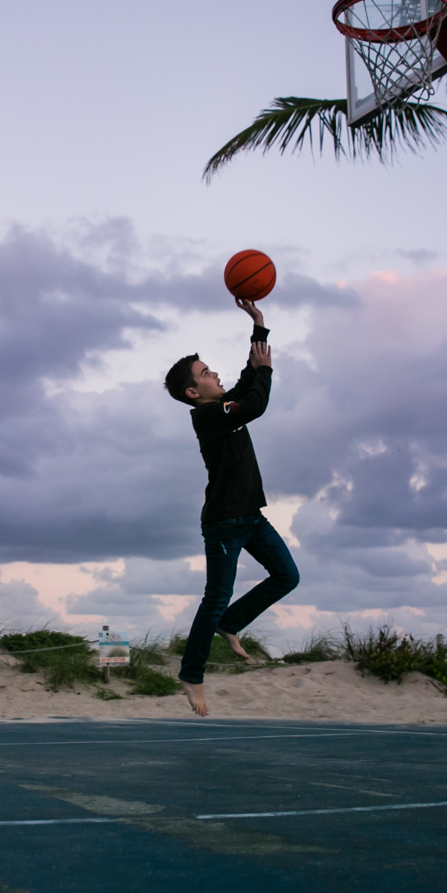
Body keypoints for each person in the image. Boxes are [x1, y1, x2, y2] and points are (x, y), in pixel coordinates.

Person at [161, 296, 300, 716]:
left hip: (252, 518)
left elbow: (244, 384)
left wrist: (258, 326)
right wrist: (266, 370)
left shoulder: (222, 405)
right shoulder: (206, 416)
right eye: (205, 373)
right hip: (224, 524)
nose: (213, 373)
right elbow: (255, 401)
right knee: (214, 597)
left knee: (287, 576)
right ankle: (192, 674)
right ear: (192, 391)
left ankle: (230, 625)